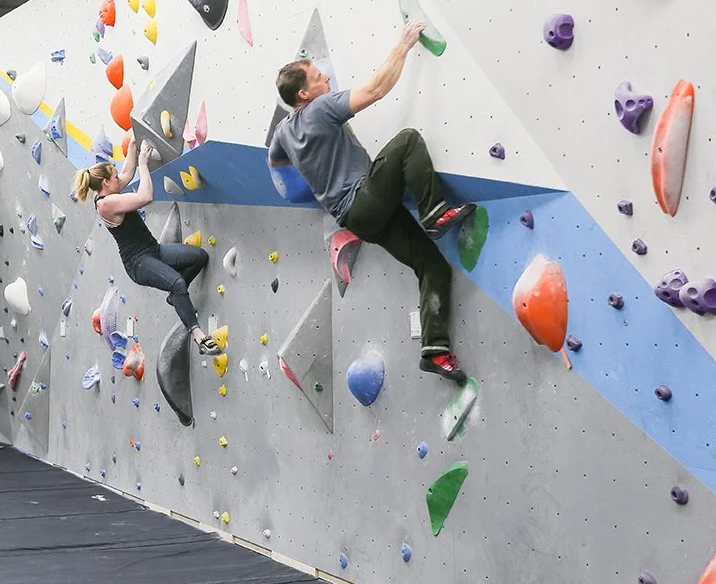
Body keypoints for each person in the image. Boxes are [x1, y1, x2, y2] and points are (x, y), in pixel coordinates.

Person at [268, 20, 476, 382]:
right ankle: (435, 214)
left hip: (356, 219)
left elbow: (274, 160)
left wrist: (312, 166)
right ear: (304, 94)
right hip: (364, 198)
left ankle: (436, 351)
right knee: (407, 141)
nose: (326, 80)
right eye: (318, 77)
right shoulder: (320, 109)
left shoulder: (285, 131)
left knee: (432, 266)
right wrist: (404, 44)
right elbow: (377, 88)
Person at [74, 138, 224, 355]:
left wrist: (134, 143)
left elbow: (127, 170)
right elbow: (146, 196)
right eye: (114, 177)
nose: (120, 178)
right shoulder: (106, 204)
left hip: (154, 251)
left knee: (199, 257)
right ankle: (199, 337)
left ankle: (176, 298)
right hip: (138, 263)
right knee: (177, 282)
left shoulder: (109, 191)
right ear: (106, 183)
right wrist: (144, 165)